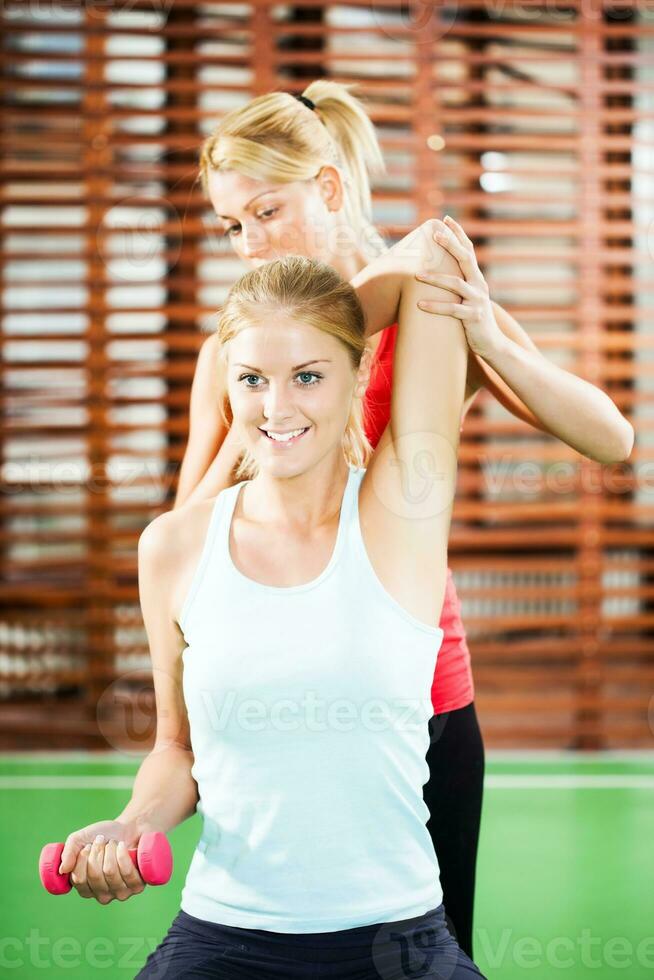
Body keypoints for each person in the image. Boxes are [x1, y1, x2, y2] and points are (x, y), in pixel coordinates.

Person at [170, 81, 634, 958]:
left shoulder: (432, 308)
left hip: (424, 701)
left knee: (430, 951)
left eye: (267, 211)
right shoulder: (229, 354)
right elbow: (182, 535)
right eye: (234, 227)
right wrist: (259, 409)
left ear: (332, 189)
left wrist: (489, 338)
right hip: (283, 699)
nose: (251, 244)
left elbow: (611, 438)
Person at [60, 228, 489, 977]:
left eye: (309, 376)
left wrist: (318, 301)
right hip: (224, 936)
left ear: (358, 378)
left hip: (400, 939)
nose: (276, 405)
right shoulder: (171, 547)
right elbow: (176, 750)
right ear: (225, 382)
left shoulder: (404, 517)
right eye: (252, 377)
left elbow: (434, 267)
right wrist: (132, 825)